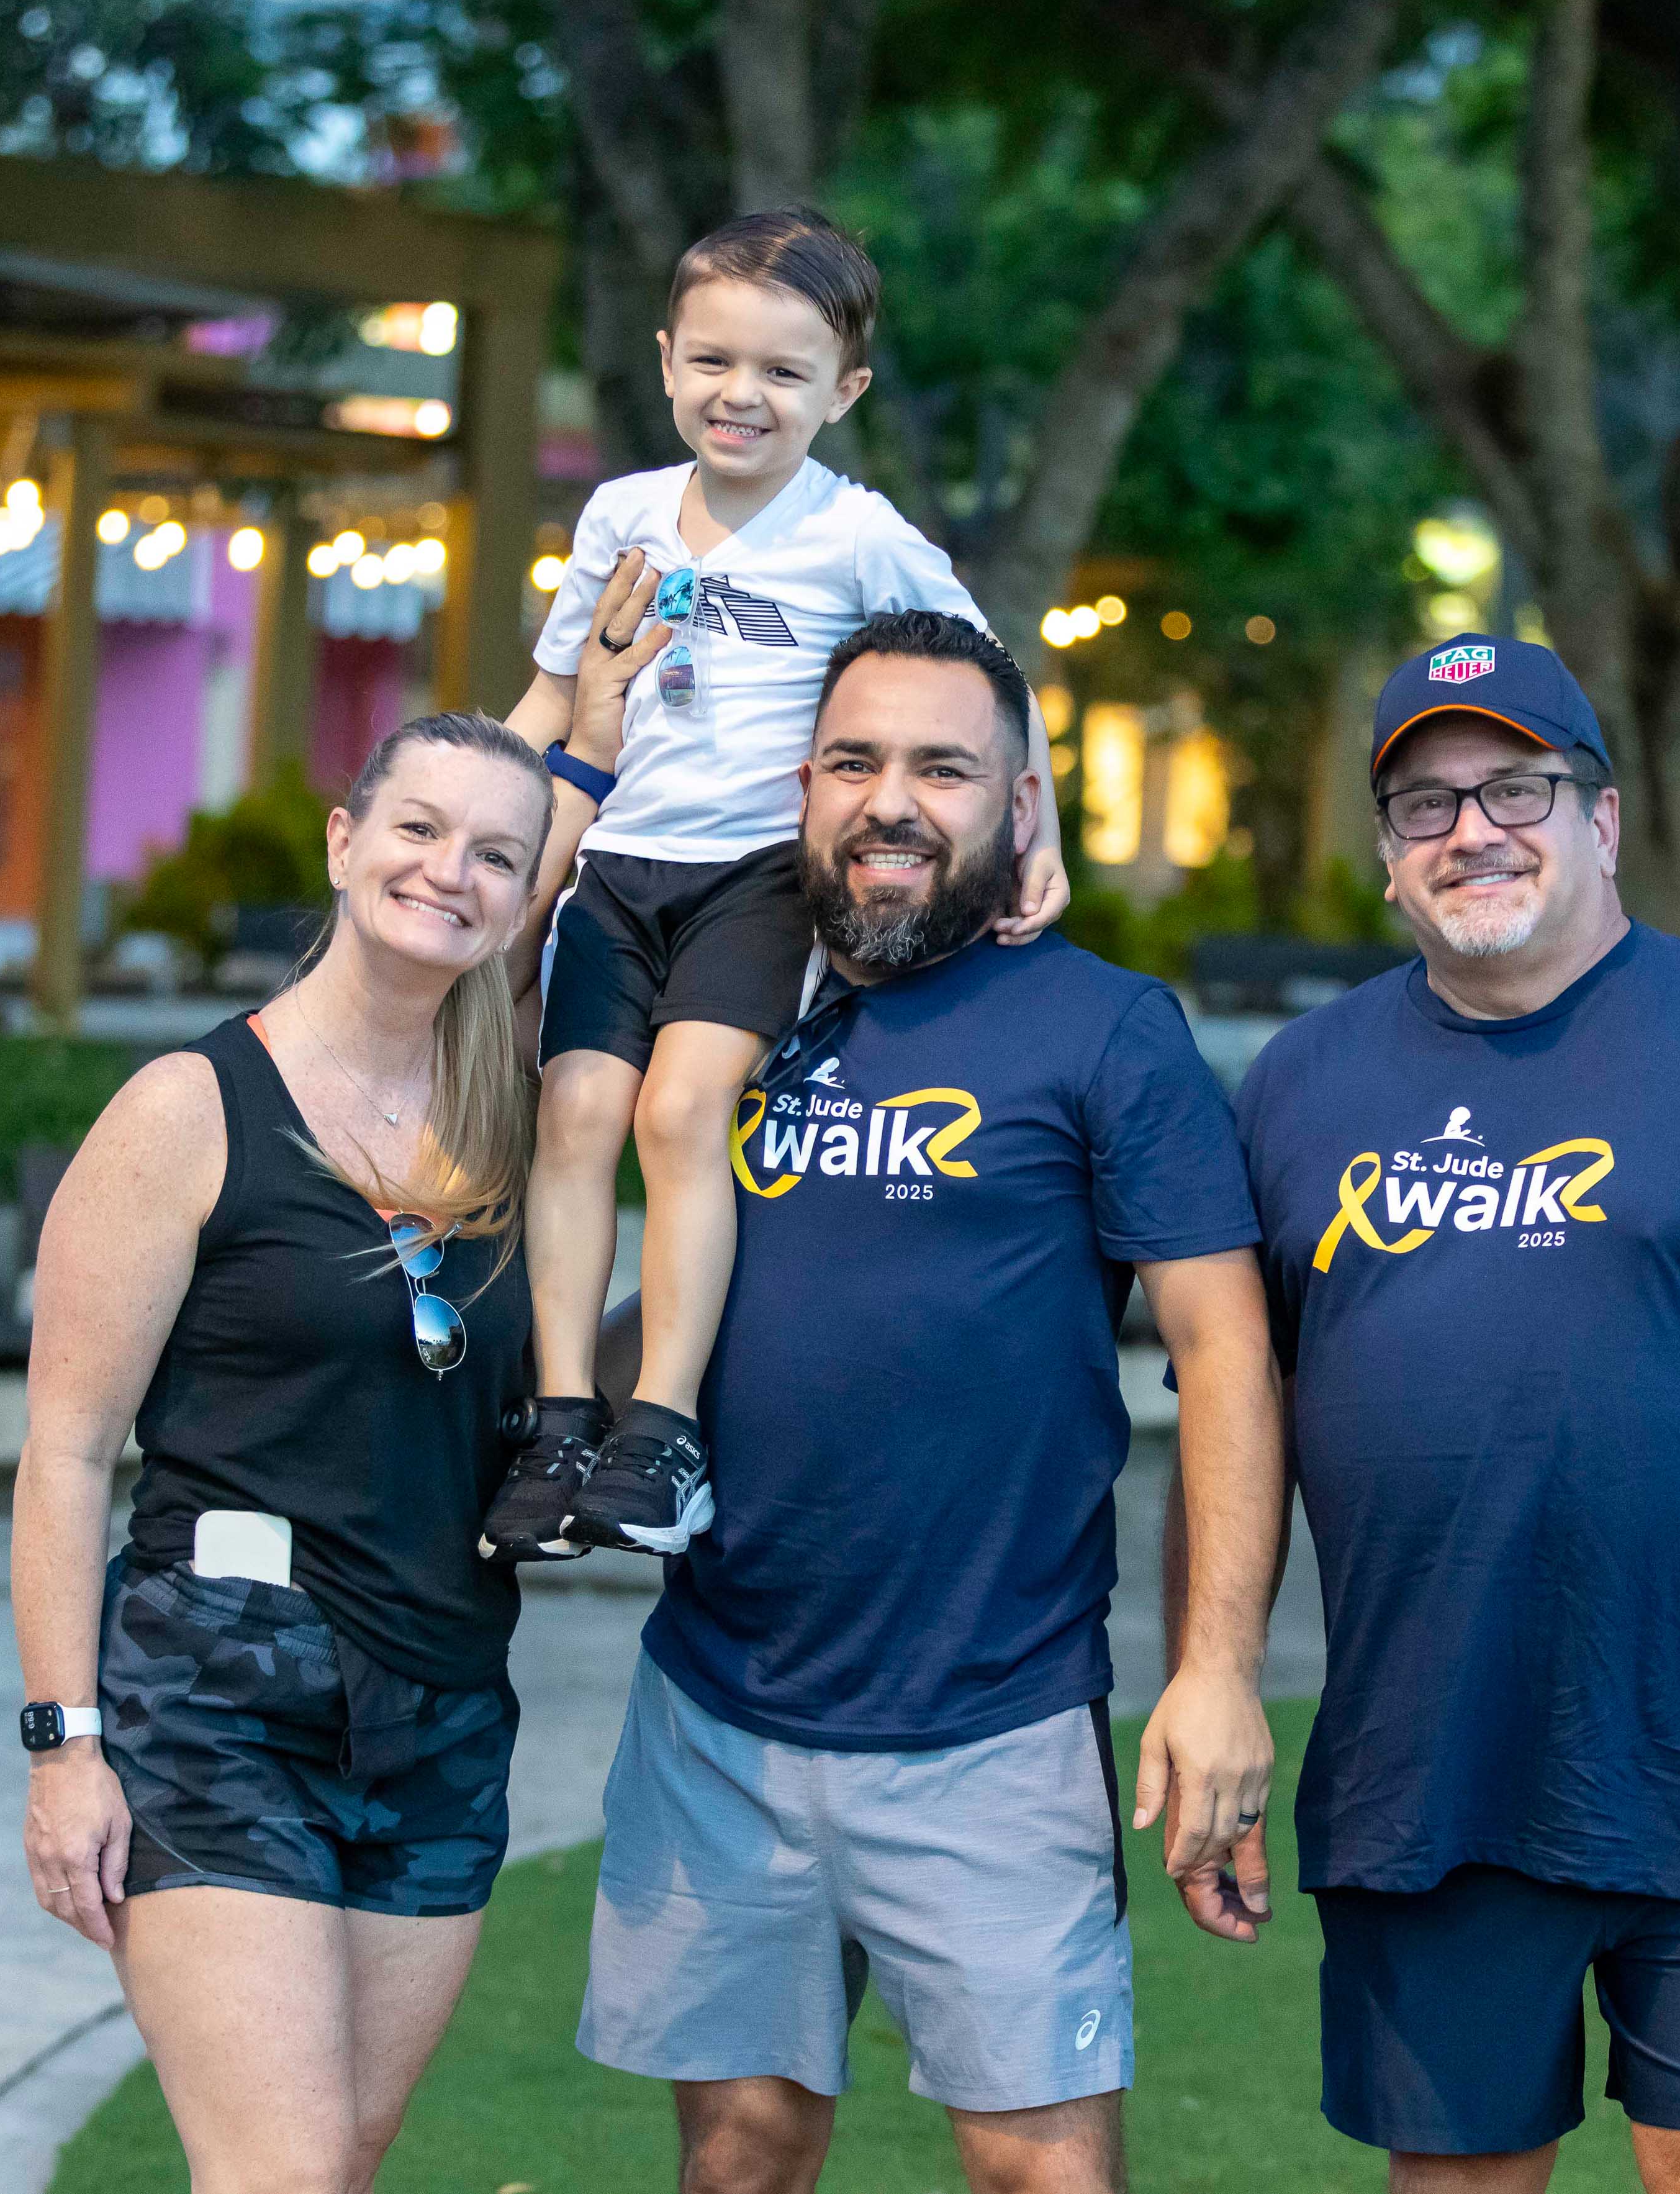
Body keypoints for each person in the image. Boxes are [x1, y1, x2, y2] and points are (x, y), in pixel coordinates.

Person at [1208, 633, 1680, 2194]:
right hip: (1429, 1767)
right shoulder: (1297, 1086)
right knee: (1463, 2182)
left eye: (1516, 788)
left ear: (1602, 818)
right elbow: (1241, 1420)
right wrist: (1213, 1680)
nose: (1473, 829)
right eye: (1426, 803)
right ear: (1386, 853)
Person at [576, 610, 1281, 2194]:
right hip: (718, 1700)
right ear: (802, 787)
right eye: (854, 760)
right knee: (741, 2156)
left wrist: (1216, 1669)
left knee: (1042, 2173)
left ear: (1022, 808)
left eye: (944, 768)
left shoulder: (1107, 1030)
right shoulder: (728, 1021)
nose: (892, 800)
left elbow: (1228, 1353)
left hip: (992, 1716)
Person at [7, 561, 663, 2190]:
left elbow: (566, 1375)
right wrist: (64, 1746)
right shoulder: (189, 1110)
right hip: (222, 1693)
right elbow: (67, 1451)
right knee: (285, 2175)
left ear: (531, 900)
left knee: (340, 2163)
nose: (451, 871)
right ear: (344, 840)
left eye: (497, 859)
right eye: (417, 829)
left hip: (447, 1702)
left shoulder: (523, 1132)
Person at [490, 207, 1065, 1564]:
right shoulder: (622, 512)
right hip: (620, 871)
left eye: (785, 373)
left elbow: (994, 684)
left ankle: (665, 1431)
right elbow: (552, 692)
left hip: (754, 875)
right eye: (713, 361)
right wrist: (475, 816)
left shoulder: (856, 534)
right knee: (574, 1114)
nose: (741, 395)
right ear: (668, 359)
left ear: (844, 392)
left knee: (684, 1113)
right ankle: (564, 1416)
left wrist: (1037, 826)